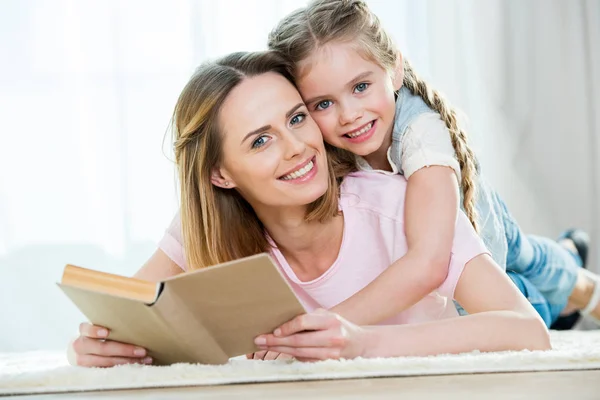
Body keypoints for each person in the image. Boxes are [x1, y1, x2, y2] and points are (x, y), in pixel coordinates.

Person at [68, 51, 550, 367]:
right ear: (221, 174)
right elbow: (123, 312)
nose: (298, 147)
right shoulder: (207, 229)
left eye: (297, 118)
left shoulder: (398, 206)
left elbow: (529, 331)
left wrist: (361, 342)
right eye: (261, 140)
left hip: (487, 233)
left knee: (542, 278)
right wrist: (87, 347)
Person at [267, 0, 599, 330]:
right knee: (528, 270)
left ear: (394, 69)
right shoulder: (314, 148)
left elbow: (430, 261)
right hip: (441, 240)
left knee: (522, 271)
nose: (349, 114)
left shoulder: (422, 135)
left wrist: (331, 321)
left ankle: (574, 270)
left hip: (478, 220)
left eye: (361, 87)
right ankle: (569, 265)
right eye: (324, 103)